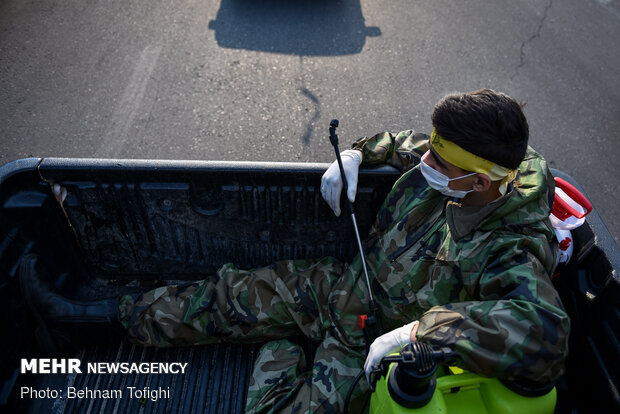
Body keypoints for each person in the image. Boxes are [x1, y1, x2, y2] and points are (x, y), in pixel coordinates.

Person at [21, 89, 569, 413]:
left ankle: (277, 351)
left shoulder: (513, 243)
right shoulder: (462, 161)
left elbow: (544, 331)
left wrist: (420, 334)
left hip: (376, 344)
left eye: (440, 167)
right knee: (228, 295)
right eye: (432, 153)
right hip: (346, 286)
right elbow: (407, 143)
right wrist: (358, 153)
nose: (425, 165)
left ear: (480, 183)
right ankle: (100, 318)